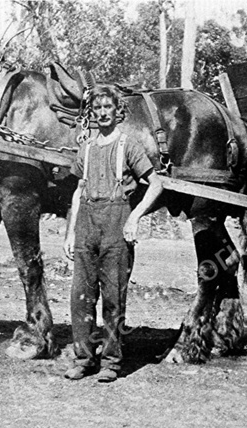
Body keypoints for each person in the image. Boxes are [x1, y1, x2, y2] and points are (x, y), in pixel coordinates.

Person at [63, 85, 163, 383]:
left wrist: (134, 216)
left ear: (118, 112)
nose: (103, 114)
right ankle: (83, 359)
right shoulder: (88, 147)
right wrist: (69, 233)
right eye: (98, 109)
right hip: (86, 225)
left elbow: (156, 183)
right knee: (80, 297)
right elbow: (78, 191)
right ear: (92, 114)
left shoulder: (128, 144)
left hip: (116, 225)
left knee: (113, 296)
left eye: (109, 108)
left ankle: (111, 361)